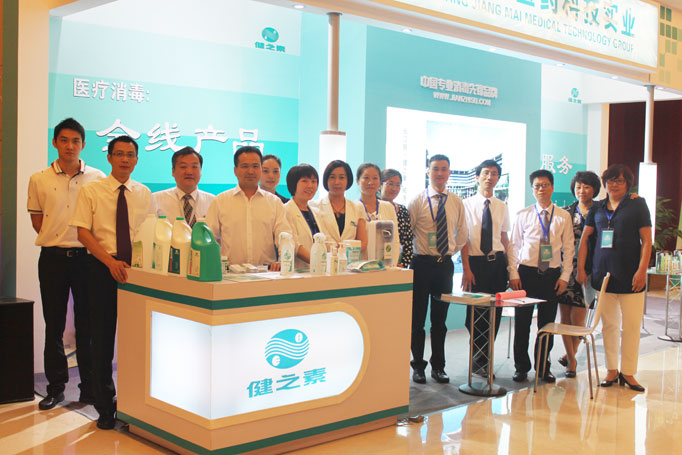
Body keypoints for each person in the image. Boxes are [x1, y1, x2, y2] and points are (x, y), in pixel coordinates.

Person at [71, 135, 152, 429]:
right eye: (119, 154)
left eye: (130, 154)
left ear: (136, 159)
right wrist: (110, 262)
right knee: (102, 340)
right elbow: (83, 232)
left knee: (137, 340)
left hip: (135, 272)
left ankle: (134, 405)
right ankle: (105, 406)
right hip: (101, 268)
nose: (125, 159)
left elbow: (148, 232)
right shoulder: (92, 190)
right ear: (109, 157)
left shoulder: (144, 193)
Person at [27, 118, 105, 410]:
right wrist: (57, 238)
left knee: (87, 326)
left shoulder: (97, 178)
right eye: (64, 140)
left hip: (87, 260)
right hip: (53, 259)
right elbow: (38, 221)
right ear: (55, 143)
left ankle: (89, 388)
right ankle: (55, 388)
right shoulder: (39, 179)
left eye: (75, 141)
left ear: (83, 145)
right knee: (54, 325)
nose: (70, 146)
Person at [577, 164, 651, 392]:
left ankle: (628, 372)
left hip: (631, 275)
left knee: (631, 326)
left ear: (628, 184)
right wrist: (581, 269)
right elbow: (585, 239)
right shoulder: (597, 207)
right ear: (605, 184)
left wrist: (642, 271)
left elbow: (647, 240)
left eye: (620, 180)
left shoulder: (637, 204)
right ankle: (611, 370)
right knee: (609, 326)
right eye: (610, 180)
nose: (615, 185)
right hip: (603, 275)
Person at [507, 169, 574, 384]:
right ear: (532, 189)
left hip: (551, 276)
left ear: (552, 187)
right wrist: (513, 273)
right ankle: (521, 367)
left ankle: (543, 367)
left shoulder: (563, 216)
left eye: (545, 185)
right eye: (537, 186)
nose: (541, 189)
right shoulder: (523, 214)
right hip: (526, 275)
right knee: (522, 323)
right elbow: (513, 246)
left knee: (546, 325)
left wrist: (564, 277)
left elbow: (569, 249)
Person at [408, 154, 468, 384]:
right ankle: (418, 366)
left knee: (440, 321)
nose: (440, 173)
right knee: (417, 320)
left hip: (444, 266)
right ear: (428, 172)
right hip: (421, 264)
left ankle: (438, 367)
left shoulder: (456, 202)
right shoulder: (417, 201)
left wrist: (448, 252)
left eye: (444, 169)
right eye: (435, 169)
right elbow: (408, 232)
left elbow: (462, 233)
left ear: (449, 172)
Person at [460, 159, 510, 377]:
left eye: (495, 173)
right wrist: (466, 269)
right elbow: (463, 240)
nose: (490, 177)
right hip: (475, 265)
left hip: (497, 263)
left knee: (494, 314)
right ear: (477, 177)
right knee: (475, 314)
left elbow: (504, 238)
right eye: (486, 173)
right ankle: (477, 358)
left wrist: (510, 268)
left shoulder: (501, 206)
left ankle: (484, 361)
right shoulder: (466, 205)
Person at [206, 146, 291, 269]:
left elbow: (284, 236)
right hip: (229, 274)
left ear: (260, 169)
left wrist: (284, 260)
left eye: (255, 166)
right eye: (245, 166)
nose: (250, 171)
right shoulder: (220, 201)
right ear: (235, 170)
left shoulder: (274, 202)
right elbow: (209, 239)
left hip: (266, 274)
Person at [556, 171, 601, 378]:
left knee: (580, 318)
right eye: (578, 187)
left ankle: (570, 354)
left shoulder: (601, 211)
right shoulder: (566, 212)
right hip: (566, 270)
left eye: (586, 187)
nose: (582, 191)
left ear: (594, 189)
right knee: (565, 316)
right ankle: (572, 360)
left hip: (589, 271)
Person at [310, 160, 367, 251]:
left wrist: (345, 251)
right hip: (324, 257)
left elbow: (363, 242)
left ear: (348, 180)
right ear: (326, 180)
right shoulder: (314, 206)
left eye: (341, 177)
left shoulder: (357, 207)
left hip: (350, 258)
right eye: (332, 177)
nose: (337, 182)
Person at [152, 146, 215, 226]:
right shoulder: (156, 200)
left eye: (194, 167)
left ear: (200, 171)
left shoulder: (213, 202)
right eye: (183, 167)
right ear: (173, 171)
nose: (189, 172)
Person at [357, 163, 400, 263]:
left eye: (375, 178)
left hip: (385, 266)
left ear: (380, 181)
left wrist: (392, 265)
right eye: (366, 178)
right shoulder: (353, 208)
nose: (370, 182)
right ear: (357, 181)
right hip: (360, 266)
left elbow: (395, 241)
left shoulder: (388, 207)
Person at [284, 164, 322, 269]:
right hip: (297, 270)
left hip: (318, 270)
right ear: (293, 184)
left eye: (314, 181)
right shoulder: (286, 210)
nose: (310, 186)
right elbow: (295, 246)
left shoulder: (315, 212)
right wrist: (319, 262)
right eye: (304, 181)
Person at [380, 168, 413, 268]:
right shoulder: (374, 208)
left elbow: (408, 240)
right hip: (378, 264)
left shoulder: (402, 210)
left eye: (398, 185)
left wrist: (403, 264)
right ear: (380, 185)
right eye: (390, 184)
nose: (394, 188)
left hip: (399, 265)